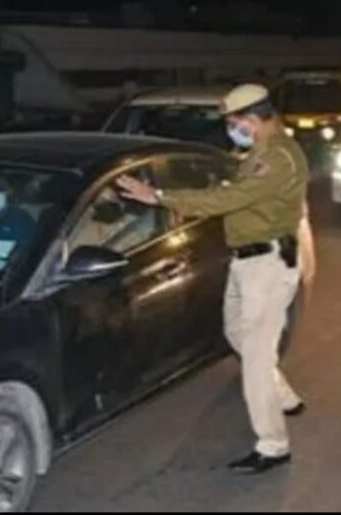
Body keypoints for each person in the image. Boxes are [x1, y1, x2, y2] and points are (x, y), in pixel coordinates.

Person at [118, 84, 310, 476]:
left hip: (267, 266)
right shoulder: (259, 152)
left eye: (235, 123)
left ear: (254, 119)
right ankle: (284, 396)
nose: (232, 130)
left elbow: (227, 200)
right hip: (248, 263)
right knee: (235, 332)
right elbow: (228, 189)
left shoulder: (277, 158)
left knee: (255, 359)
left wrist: (158, 196)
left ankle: (274, 446)